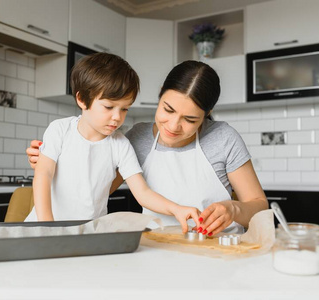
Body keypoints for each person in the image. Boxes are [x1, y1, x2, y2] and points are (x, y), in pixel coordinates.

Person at [27, 60, 268, 236]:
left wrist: (233, 209)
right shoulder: (135, 137)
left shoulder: (223, 138)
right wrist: (51, 162)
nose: (173, 126)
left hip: (220, 247)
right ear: (159, 97)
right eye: (168, 110)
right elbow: (96, 187)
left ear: (207, 115)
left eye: (191, 120)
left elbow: (259, 207)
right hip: (157, 246)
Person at [25, 52, 200, 233]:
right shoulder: (60, 130)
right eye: (109, 107)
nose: (117, 117)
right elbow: (43, 175)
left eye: (124, 109)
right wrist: (47, 226)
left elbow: (143, 193)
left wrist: (177, 209)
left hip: (88, 234)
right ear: (82, 99)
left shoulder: (120, 145)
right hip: (41, 230)